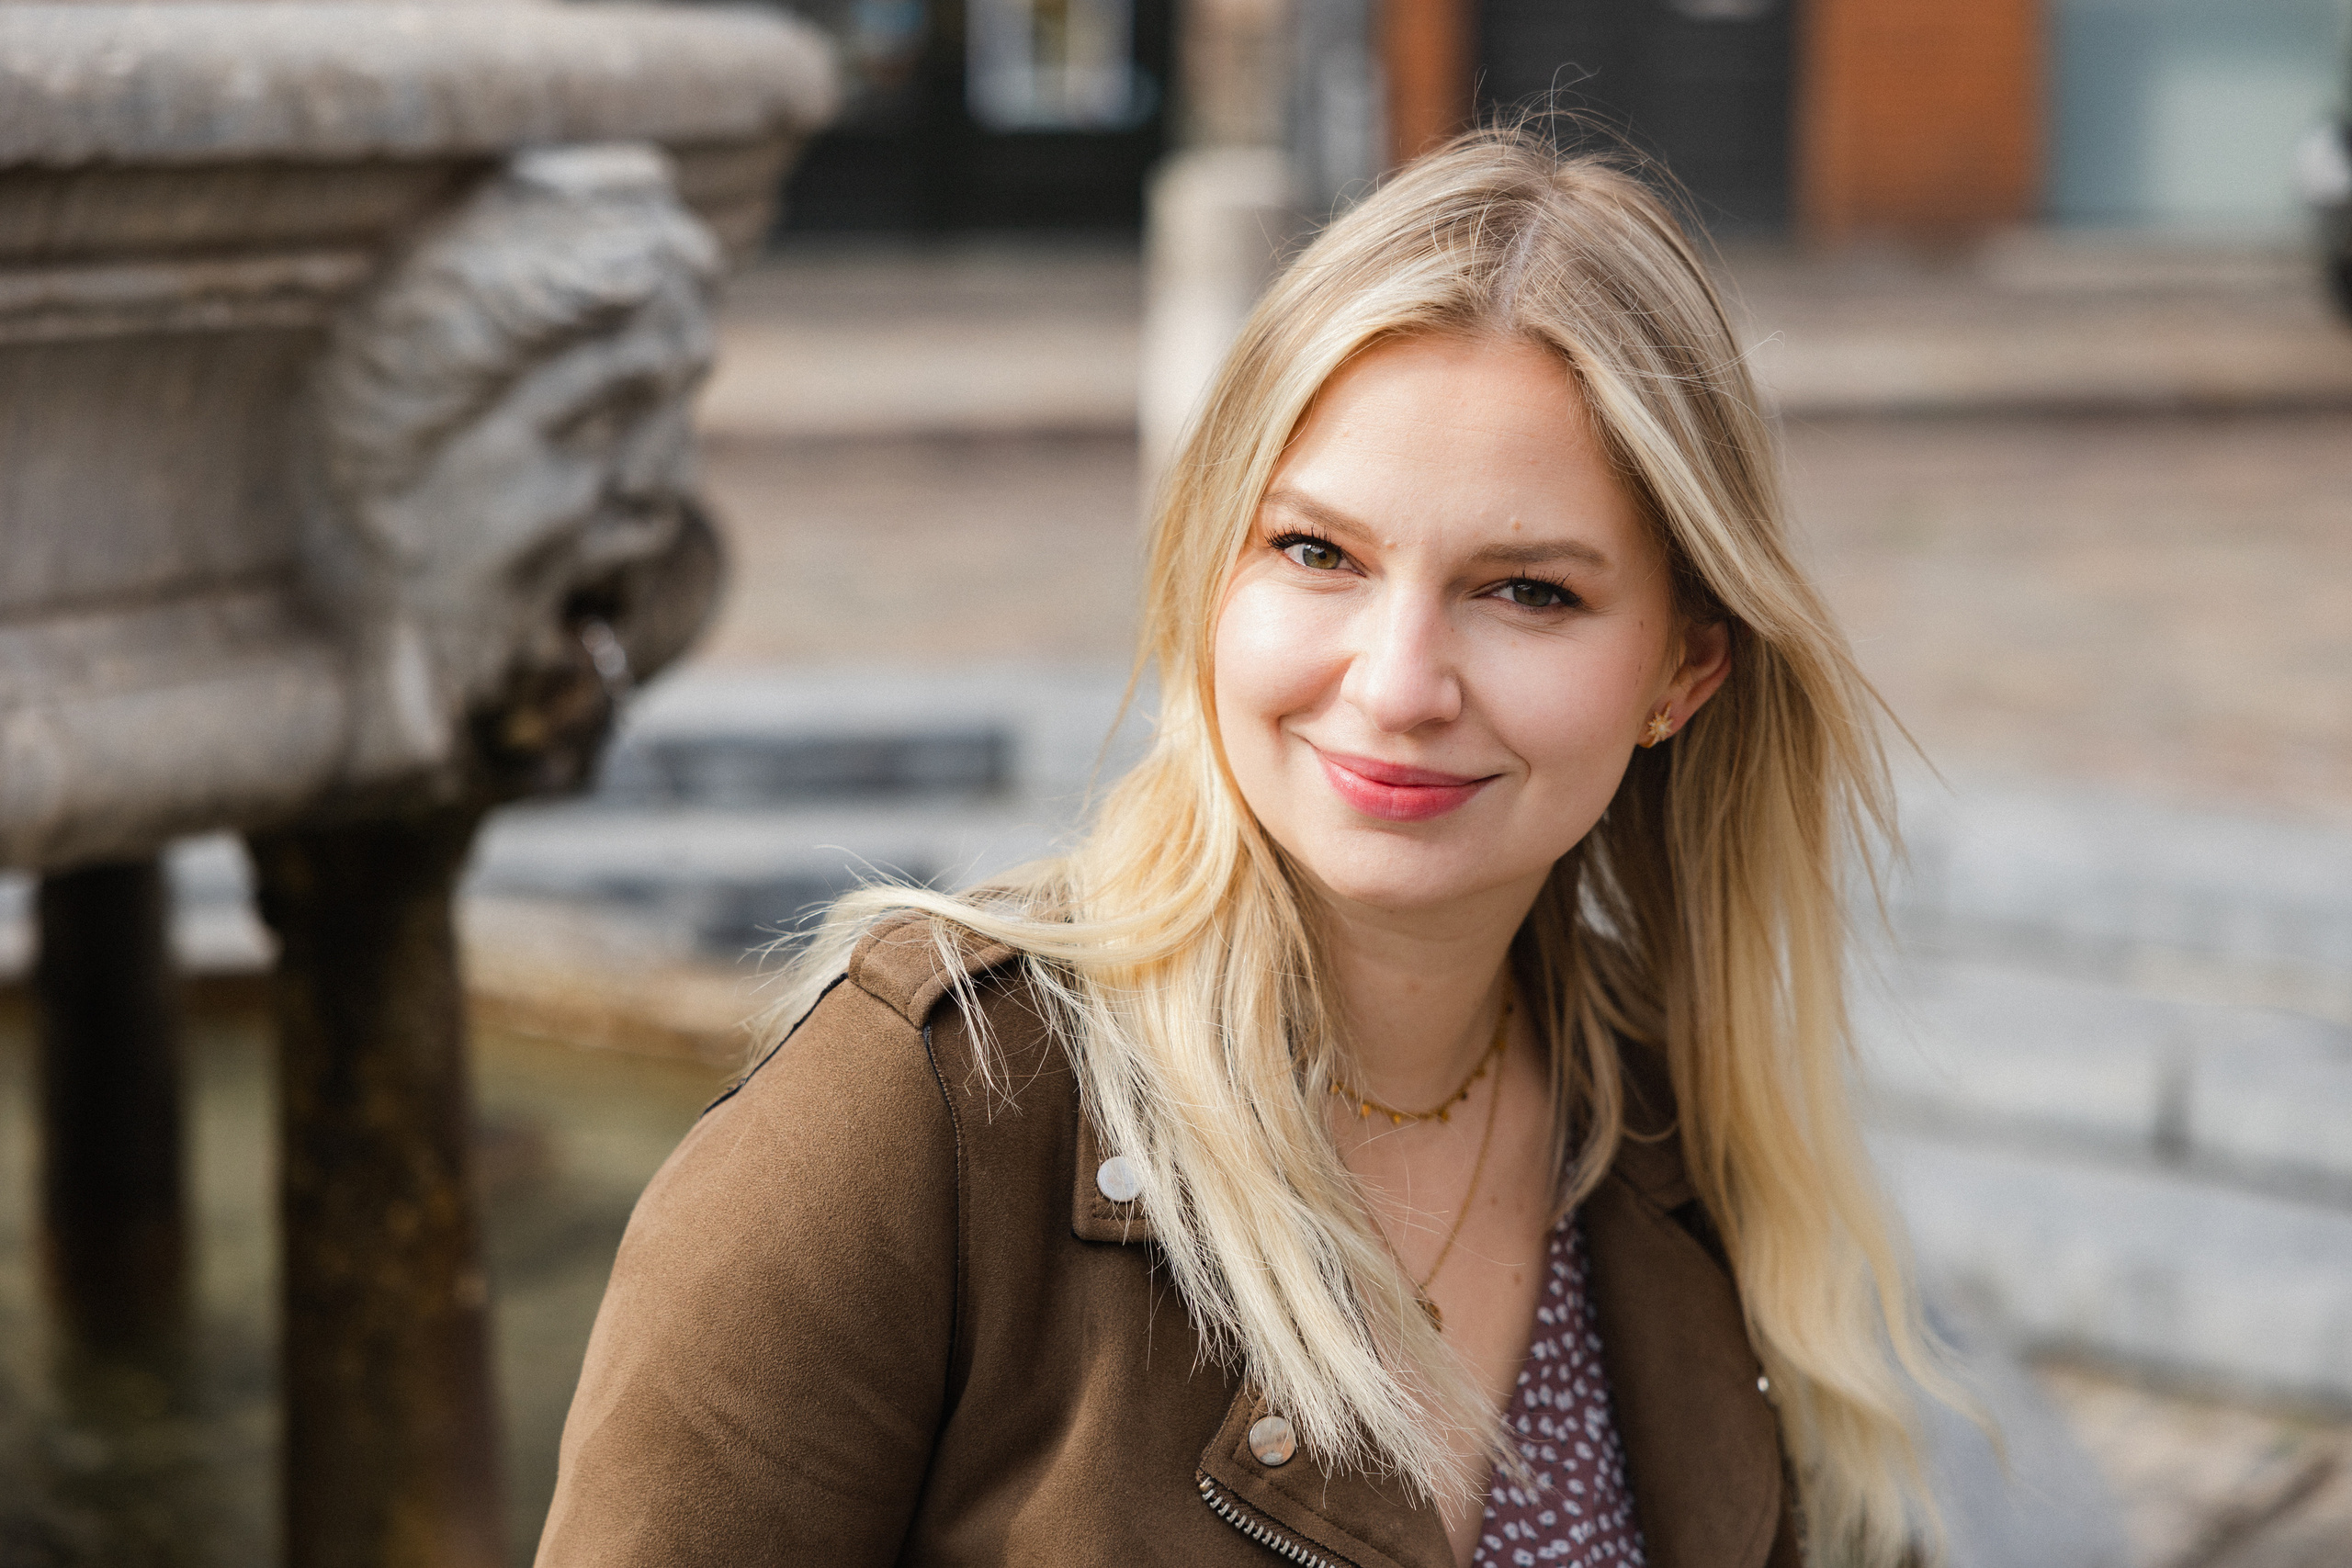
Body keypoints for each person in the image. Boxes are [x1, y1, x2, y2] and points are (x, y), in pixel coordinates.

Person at [536, 128, 1956, 1568]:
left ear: (1682, 674)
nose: (1400, 684)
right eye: (1315, 554)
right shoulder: (923, 1118)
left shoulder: (1680, 1152)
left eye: (1527, 591)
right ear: (1209, 572)